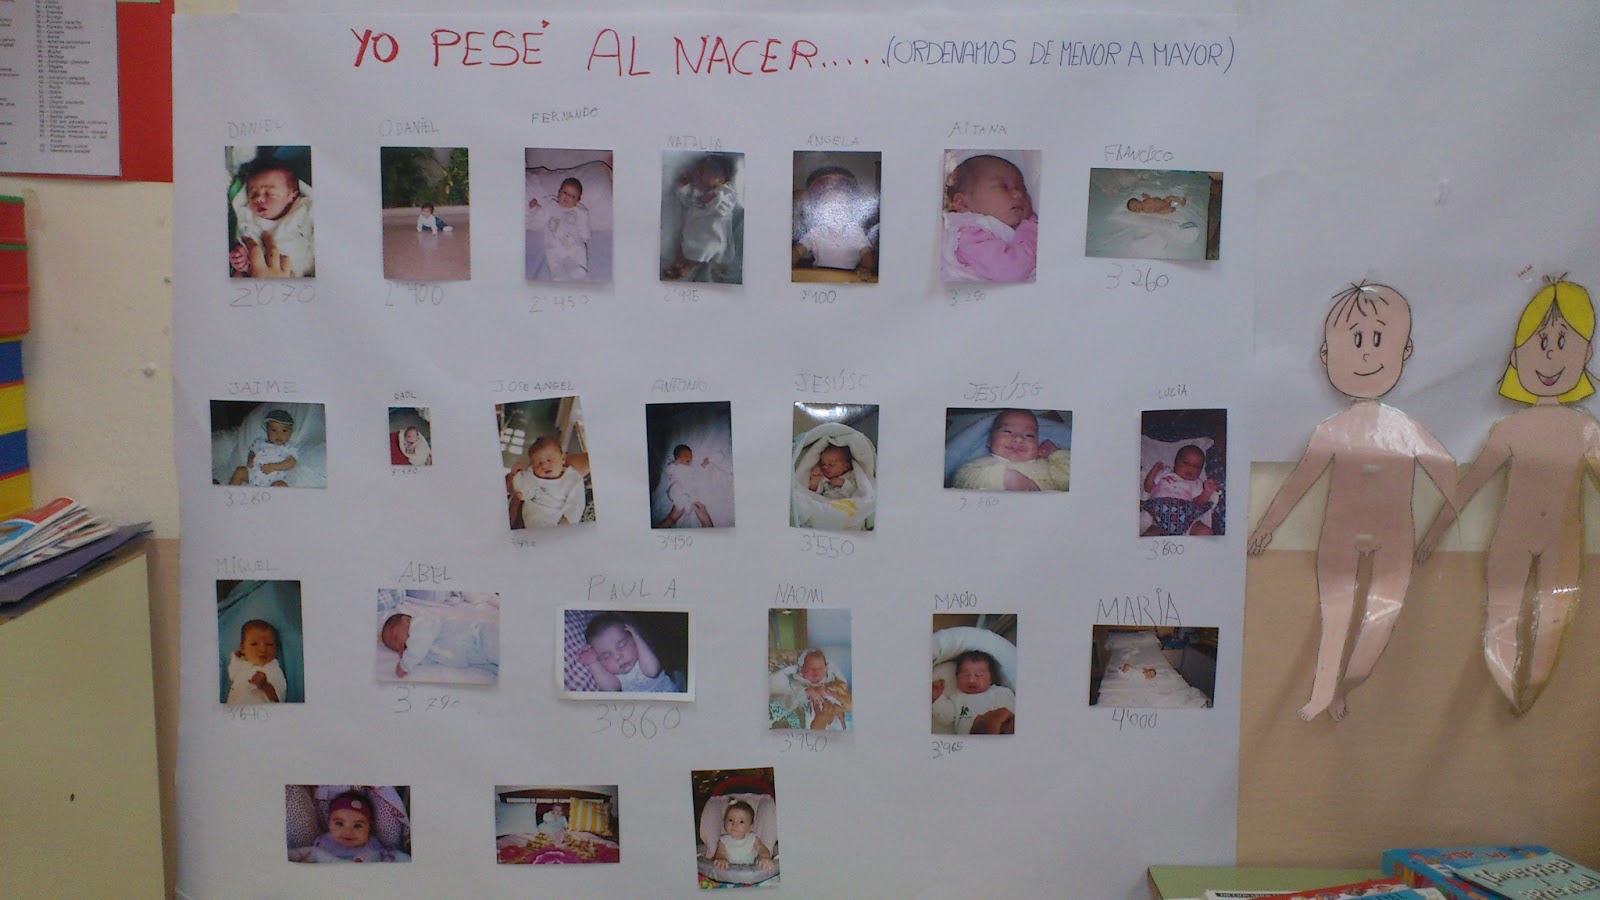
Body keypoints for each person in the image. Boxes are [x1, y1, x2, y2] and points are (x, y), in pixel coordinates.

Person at [1248, 282, 1458, 721]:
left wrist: (1441, 527)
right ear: (1326, 354)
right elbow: (1300, 481)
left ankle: (1347, 685)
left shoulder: (1405, 428)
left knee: (1382, 619)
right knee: (1335, 618)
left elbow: (1448, 474)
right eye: (1354, 340)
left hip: (1395, 537)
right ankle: (1323, 694)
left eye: (1378, 339)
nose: (1365, 353)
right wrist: (1267, 525)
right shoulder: (1331, 430)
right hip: (1339, 536)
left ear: (1405, 349)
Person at [1417, 279, 1600, 712]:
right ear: (1516, 357)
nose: (1550, 355)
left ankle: (1529, 692)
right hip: (1511, 540)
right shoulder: (1508, 430)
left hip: (1562, 543)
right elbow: (1468, 486)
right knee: (1502, 614)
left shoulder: (1586, 431)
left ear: (1586, 353)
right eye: (1540, 343)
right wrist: (1432, 535)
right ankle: (1507, 687)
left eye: (1562, 342)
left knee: (1553, 619)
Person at [941, 154, 1038, 283]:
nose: (1018, 194)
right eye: (1003, 187)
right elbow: (1011, 270)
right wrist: (1031, 229)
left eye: (1022, 189)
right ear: (963, 203)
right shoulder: (968, 235)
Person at [230, 157, 314, 278]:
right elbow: (245, 246)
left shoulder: (301, 213)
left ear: (292, 197)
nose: (259, 198)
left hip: (304, 275)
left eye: (270, 193)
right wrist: (241, 258)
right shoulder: (248, 219)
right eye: (253, 194)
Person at [951, 409, 1070, 492]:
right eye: (1007, 431)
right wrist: (1005, 478)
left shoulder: (1047, 465)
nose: (1018, 439)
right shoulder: (983, 464)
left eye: (1029, 435)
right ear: (989, 441)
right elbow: (960, 481)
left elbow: (1069, 481)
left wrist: (1056, 454)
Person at [791, 166, 876, 281]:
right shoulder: (816, 232)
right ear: (819, 211)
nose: (835, 211)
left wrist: (866, 268)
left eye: (841, 204)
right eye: (827, 205)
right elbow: (798, 250)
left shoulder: (855, 232)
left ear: (851, 209)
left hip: (848, 278)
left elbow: (867, 254)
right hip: (818, 277)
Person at [663, 153, 737, 281]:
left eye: (705, 174)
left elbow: (725, 207)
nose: (700, 178)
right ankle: (678, 264)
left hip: (712, 236)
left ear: (721, 179)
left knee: (703, 251)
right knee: (684, 248)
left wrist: (714, 198)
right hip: (695, 232)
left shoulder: (725, 192)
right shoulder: (697, 191)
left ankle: (686, 268)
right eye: (699, 173)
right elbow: (687, 201)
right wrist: (683, 186)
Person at [381, 610, 499, 679]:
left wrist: (405, 664)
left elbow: (419, 644)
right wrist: (408, 656)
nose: (398, 645)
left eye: (395, 637)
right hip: (476, 657)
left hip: (479, 636)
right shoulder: (420, 650)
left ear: (406, 619)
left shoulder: (421, 624)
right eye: (395, 648)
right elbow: (422, 657)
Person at [578, 613, 677, 693]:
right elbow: (611, 689)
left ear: (633, 639)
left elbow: (652, 671)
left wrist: (638, 638)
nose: (617, 656)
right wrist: (593, 663)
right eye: (606, 656)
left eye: (622, 645)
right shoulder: (614, 677)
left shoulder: (642, 658)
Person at [932, 649, 1016, 735]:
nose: (971, 680)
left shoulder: (1000, 692)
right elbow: (946, 718)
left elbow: (1010, 715)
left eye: (979, 675)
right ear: (957, 678)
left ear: (991, 678)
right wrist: (937, 697)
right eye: (965, 675)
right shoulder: (957, 697)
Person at [1142, 444, 1221, 535]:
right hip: (1160, 519)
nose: (1191, 468)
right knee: (1150, 535)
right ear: (1175, 464)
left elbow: (1198, 503)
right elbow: (1148, 488)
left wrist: (1207, 491)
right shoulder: (1165, 473)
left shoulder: (1196, 483)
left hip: (1186, 520)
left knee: (1206, 532)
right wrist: (1154, 470)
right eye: (1186, 463)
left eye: (1196, 467)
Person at [509, 437, 585, 529]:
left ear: (563, 458)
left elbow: (576, 503)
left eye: (549, 460)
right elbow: (518, 488)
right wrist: (515, 474)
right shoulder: (531, 476)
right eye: (539, 463)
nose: (544, 465)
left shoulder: (572, 479)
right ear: (532, 467)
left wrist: (568, 521)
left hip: (556, 523)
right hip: (531, 522)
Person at [769, 647, 851, 730]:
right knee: (812, 727)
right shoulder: (799, 681)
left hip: (833, 712)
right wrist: (808, 692)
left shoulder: (829, 679)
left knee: (837, 726)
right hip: (812, 715)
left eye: (820, 668)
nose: (815, 671)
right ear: (802, 670)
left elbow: (840, 689)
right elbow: (796, 695)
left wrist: (826, 690)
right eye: (810, 668)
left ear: (826, 669)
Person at [302, 791, 394, 863]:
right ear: (329, 822)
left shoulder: (373, 845)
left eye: (357, 826)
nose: (348, 832)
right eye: (339, 824)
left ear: (369, 826)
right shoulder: (322, 841)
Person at [528, 177, 591, 281]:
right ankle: (557, 272)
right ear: (559, 192)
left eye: (573, 196)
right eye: (565, 192)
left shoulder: (579, 211)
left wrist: (585, 237)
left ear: (578, 200)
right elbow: (542, 216)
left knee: (580, 250)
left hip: (573, 242)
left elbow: (583, 225)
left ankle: (578, 267)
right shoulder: (551, 206)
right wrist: (535, 208)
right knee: (552, 256)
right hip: (555, 242)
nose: (567, 197)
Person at [229, 409, 297, 487]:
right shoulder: (260, 442)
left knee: (281, 485)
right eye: (274, 430)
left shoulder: (288, 447)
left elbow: (291, 462)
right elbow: (252, 451)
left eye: (284, 430)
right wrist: (251, 458)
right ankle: (231, 492)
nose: (278, 434)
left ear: (291, 432)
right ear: (267, 430)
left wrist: (273, 466)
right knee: (239, 471)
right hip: (254, 474)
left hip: (275, 478)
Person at [226, 619, 285, 704]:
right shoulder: (242, 664)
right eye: (254, 644)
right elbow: (232, 674)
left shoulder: (273, 667)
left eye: (269, 644)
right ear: (242, 648)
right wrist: (236, 658)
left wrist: (265, 686)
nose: (262, 649)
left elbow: (279, 696)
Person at [655, 444, 714, 528]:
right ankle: (681, 503)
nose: (689, 458)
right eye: (686, 456)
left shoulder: (691, 468)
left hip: (686, 490)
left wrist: (704, 465)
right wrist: (675, 463)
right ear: (677, 457)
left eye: (690, 457)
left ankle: (687, 505)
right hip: (674, 485)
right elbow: (668, 471)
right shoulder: (675, 466)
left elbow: (697, 472)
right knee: (676, 488)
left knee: (692, 494)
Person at [712, 800, 775, 871]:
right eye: (730, 820)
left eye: (741, 822)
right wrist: (721, 859)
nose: (734, 824)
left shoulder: (752, 838)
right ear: (724, 822)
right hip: (730, 873)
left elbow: (762, 849)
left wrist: (764, 857)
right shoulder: (723, 841)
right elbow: (720, 854)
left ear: (750, 827)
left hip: (752, 872)